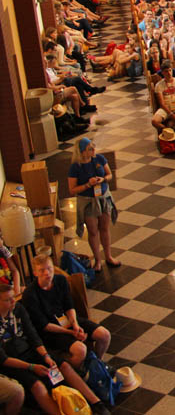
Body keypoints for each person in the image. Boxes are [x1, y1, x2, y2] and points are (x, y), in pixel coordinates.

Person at [0, 284, 110, 415]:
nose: (13, 301)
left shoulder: (18, 309)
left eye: (13, 297)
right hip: (12, 362)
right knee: (38, 386)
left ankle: (96, 402)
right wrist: (31, 367)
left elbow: (32, 335)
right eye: (8, 300)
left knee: (64, 366)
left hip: (30, 351)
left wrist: (46, 356)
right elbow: (4, 359)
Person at [23, 255, 111, 370]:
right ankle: (77, 373)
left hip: (66, 319)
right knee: (80, 350)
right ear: (35, 273)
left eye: (49, 268)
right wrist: (70, 332)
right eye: (42, 270)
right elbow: (43, 325)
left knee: (104, 335)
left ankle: (97, 365)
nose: (47, 273)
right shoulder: (30, 294)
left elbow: (69, 305)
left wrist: (75, 324)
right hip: (50, 331)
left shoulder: (60, 280)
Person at [67, 138, 119, 271]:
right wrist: (87, 184)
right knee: (93, 231)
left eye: (93, 147)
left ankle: (108, 256)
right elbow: (72, 190)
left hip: (103, 197)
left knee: (105, 228)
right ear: (82, 152)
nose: (93, 150)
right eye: (90, 149)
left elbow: (109, 174)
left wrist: (103, 179)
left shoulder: (99, 159)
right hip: (88, 201)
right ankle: (97, 260)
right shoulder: (75, 167)